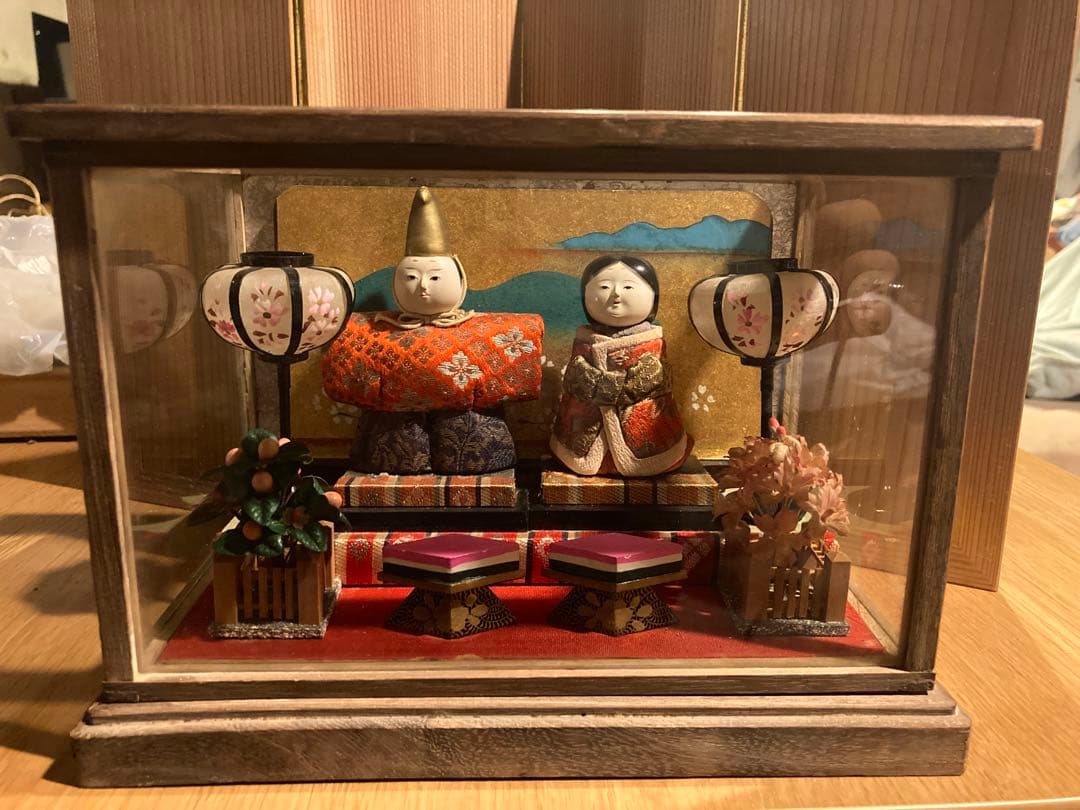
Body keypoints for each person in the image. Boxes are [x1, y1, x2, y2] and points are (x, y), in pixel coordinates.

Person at [322, 187, 543, 475]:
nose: (422, 286)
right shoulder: (371, 331)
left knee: (468, 434)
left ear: (459, 279)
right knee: (394, 439)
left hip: (467, 419)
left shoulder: (484, 330)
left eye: (435, 277)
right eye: (411, 277)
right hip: (393, 421)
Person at [550, 255, 692, 477]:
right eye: (604, 286)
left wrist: (604, 383)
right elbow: (576, 377)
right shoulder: (584, 340)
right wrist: (601, 379)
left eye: (628, 286)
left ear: (652, 296)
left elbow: (648, 381)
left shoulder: (652, 343)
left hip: (641, 426)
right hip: (587, 425)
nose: (616, 294)